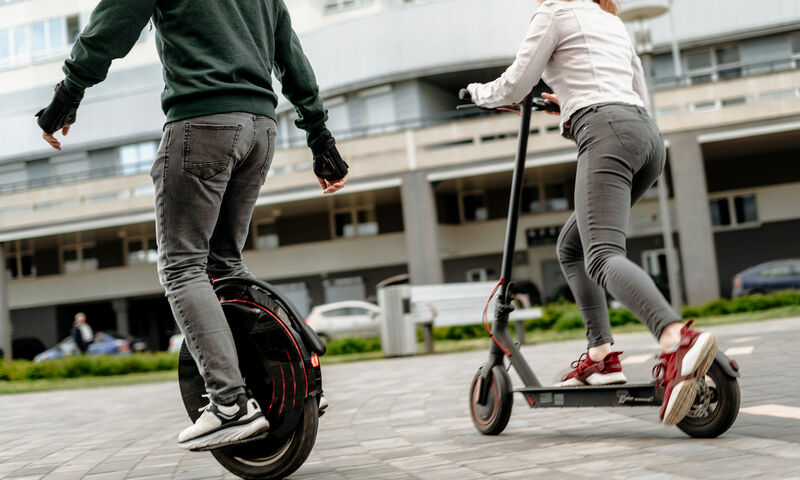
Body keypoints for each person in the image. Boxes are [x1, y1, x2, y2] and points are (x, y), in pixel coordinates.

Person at [35, 0, 349, 450]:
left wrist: (67, 95)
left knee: (183, 267)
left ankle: (229, 404)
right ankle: (295, 379)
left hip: (202, 123)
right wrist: (321, 139)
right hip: (260, 129)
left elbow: (112, 26)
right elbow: (291, 55)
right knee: (225, 266)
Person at [465, 0, 718, 426]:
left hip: (606, 130)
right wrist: (562, 103)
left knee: (601, 255)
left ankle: (677, 337)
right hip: (646, 136)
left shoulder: (554, 12)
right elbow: (627, 90)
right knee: (572, 247)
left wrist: (477, 93)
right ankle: (601, 355)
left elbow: (512, 85)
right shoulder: (608, 20)